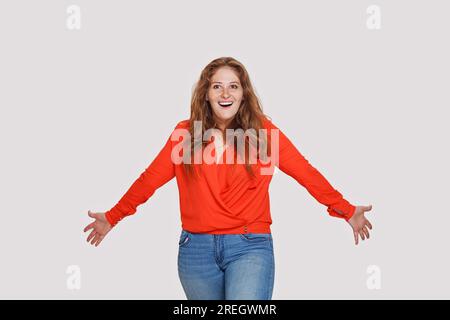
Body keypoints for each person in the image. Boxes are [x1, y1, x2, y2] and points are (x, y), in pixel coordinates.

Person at [83, 57, 373, 300]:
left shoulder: (264, 134)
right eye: (217, 86)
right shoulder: (185, 135)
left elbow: (306, 173)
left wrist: (346, 210)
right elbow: (149, 180)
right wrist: (113, 216)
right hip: (195, 251)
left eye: (233, 86)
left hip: (250, 246)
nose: (225, 94)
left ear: (243, 93)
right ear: (206, 94)